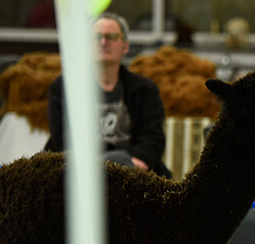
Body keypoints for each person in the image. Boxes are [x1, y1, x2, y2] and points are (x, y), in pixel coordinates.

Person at [45, 12, 171, 177]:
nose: (104, 42)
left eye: (111, 36)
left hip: (133, 174)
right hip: (77, 175)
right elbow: (63, 139)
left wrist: (131, 162)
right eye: (97, 37)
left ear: (125, 46)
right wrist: (114, 161)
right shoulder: (64, 88)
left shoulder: (145, 90)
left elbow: (153, 138)